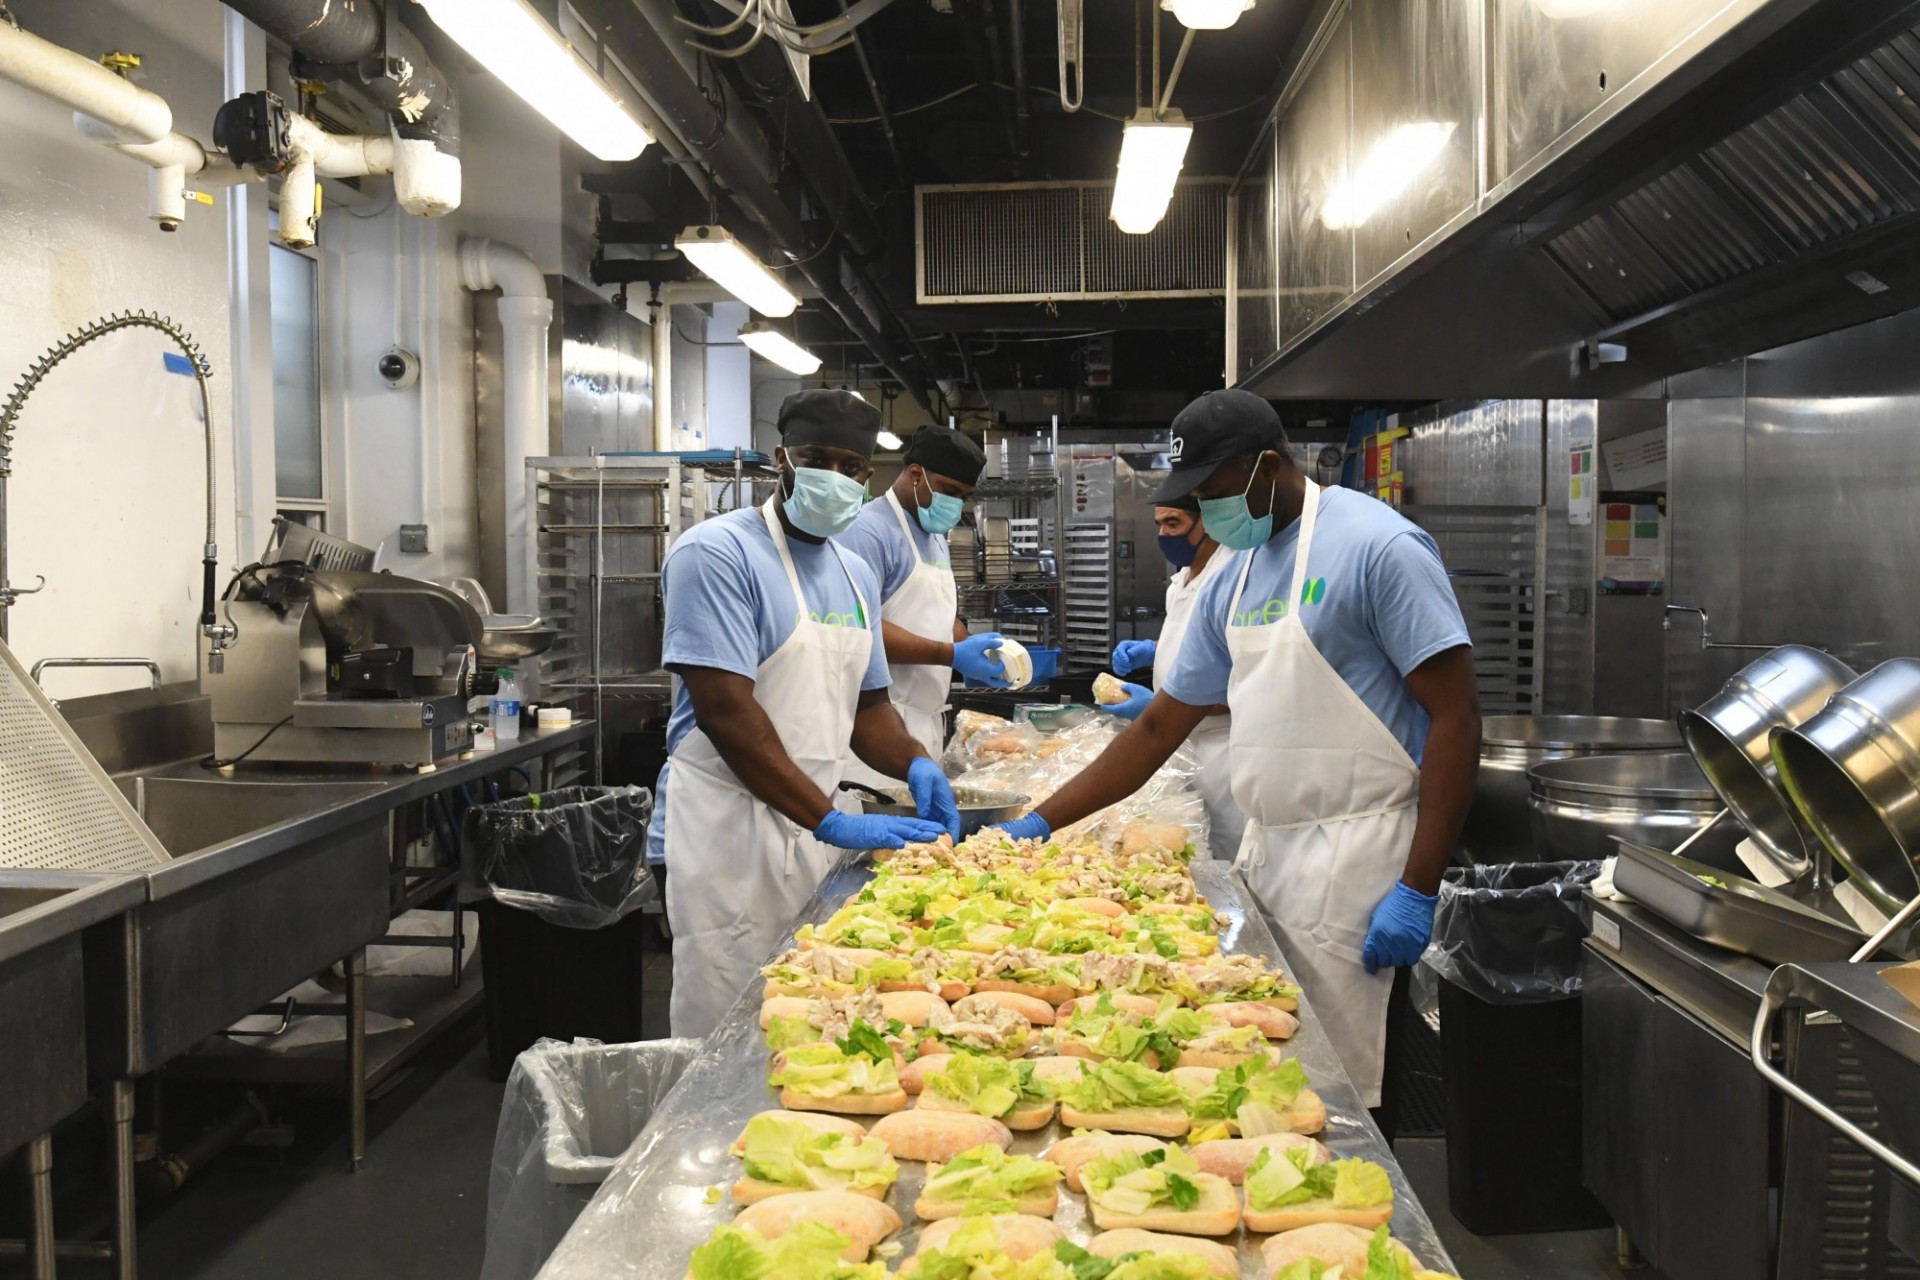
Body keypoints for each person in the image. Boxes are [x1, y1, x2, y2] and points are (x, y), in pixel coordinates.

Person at [996, 389, 1478, 1132]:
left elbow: (1456, 720)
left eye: (1213, 491)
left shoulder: (1380, 547)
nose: (1205, 509)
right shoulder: (1238, 572)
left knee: (1348, 1101)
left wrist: (1418, 884)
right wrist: (1037, 823)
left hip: (1363, 862)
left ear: (1268, 466)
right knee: (1270, 1083)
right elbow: (1159, 730)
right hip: (1270, 854)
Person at [659, 389, 962, 1037]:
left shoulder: (853, 572)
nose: (837, 478)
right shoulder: (715, 555)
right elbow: (727, 714)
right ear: (781, 459)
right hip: (730, 836)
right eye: (817, 460)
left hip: (814, 823)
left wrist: (917, 766)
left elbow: (870, 708)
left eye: (853, 468)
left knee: (815, 1018)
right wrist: (827, 820)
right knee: (728, 1026)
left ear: (867, 477)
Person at [836, 424, 1011, 779]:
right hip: (876, 727)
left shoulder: (934, 536)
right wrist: (949, 655)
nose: (956, 504)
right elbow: (855, 628)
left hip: (926, 722)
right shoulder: (866, 532)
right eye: (949, 491)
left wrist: (982, 653)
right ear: (916, 475)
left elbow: (935, 614)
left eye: (965, 495)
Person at [1101, 500, 1247, 861]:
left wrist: (1160, 707)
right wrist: (1154, 649)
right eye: (1159, 524)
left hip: (1224, 752)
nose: (1163, 534)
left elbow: (1245, 682)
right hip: (1181, 747)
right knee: (1185, 853)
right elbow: (1197, 645)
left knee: (1226, 857)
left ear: (1207, 522)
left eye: (1173, 523)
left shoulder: (1233, 579)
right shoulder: (1182, 579)